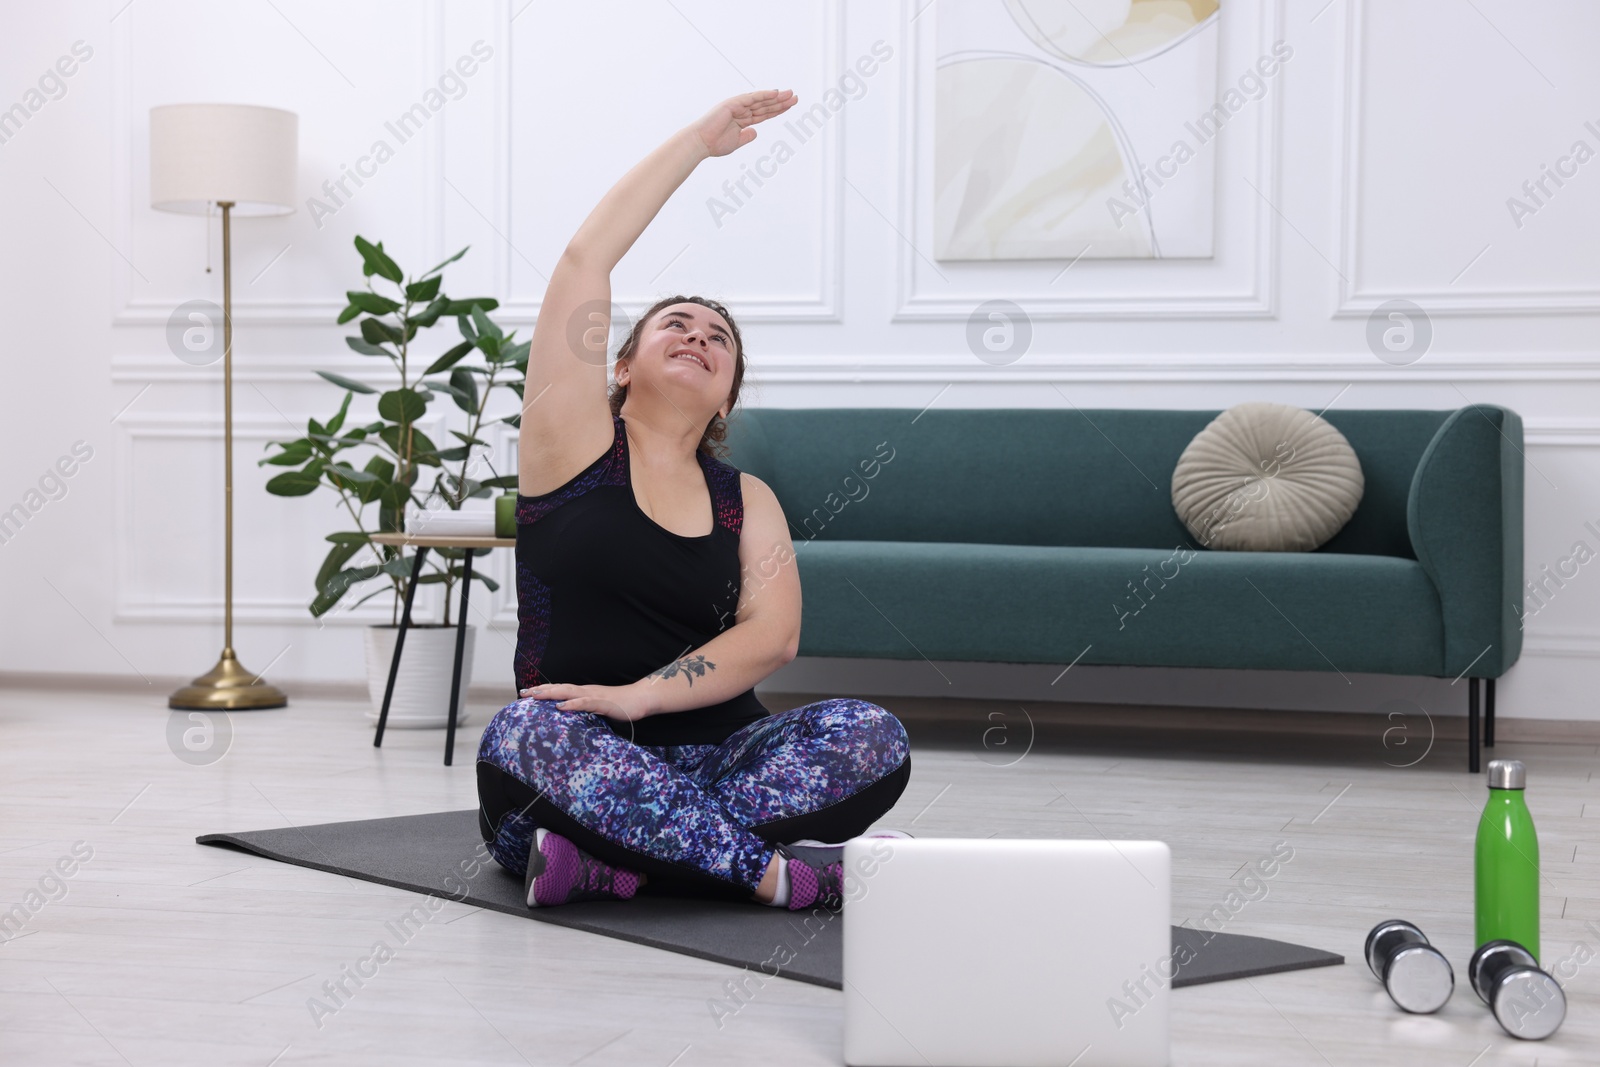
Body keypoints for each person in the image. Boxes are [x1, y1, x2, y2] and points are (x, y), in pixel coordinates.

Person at [475, 90, 912, 912]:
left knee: (872, 733)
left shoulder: (749, 499)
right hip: (580, 752)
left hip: (725, 755)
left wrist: (643, 695)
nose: (699, 338)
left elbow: (773, 635)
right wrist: (697, 147)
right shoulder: (569, 443)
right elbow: (583, 262)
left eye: (719, 340)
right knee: (521, 735)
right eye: (676, 324)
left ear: (726, 398)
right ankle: (783, 876)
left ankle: (618, 866)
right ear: (622, 364)